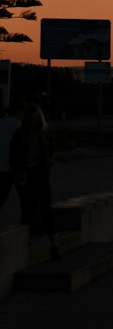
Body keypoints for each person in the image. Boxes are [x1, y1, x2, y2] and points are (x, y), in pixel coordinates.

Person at [9, 101, 58, 258]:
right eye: (29, 119)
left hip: (40, 174)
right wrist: (18, 171)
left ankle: (54, 243)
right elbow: (14, 155)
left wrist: (48, 165)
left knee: (46, 208)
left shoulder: (45, 134)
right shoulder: (19, 134)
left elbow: (51, 152)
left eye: (35, 119)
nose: (32, 122)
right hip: (26, 174)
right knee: (27, 208)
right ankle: (25, 241)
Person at [0, 99, 25, 211]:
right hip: (11, 167)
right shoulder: (19, 126)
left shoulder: (1, 122)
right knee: (25, 197)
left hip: (2, 166)